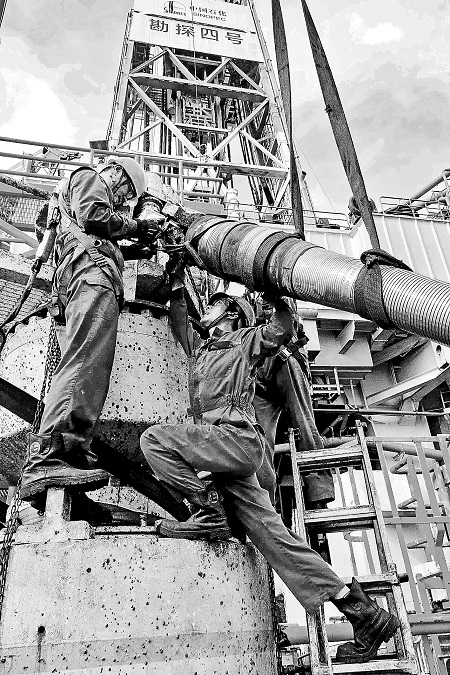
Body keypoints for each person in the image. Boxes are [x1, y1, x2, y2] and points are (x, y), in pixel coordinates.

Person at [139, 259, 400, 664]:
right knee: (275, 539)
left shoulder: (244, 340)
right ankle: (362, 612)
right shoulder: (203, 349)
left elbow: (281, 328)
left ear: (231, 314)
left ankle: (208, 512)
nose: (206, 307)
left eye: (215, 304)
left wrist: (272, 288)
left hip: (236, 440)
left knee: (153, 440)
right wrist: (175, 276)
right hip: (226, 458)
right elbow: (179, 322)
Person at [21, 157, 165, 503]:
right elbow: (94, 216)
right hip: (91, 279)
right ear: (114, 171)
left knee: (88, 368)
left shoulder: (84, 203)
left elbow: (97, 231)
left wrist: (134, 245)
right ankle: (48, 457)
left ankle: (69, 460)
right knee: (85, 362)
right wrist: (137, 225)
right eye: (126, 190)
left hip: (87, 277)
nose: (123, 198)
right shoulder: (89, 177)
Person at [253, 308, 334, 510]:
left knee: (303, 423)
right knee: (259, 441)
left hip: (286, 357)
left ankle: (319, 491)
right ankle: (264, 505)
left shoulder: (282, 303)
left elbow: (285, 313)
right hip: (260, 375)